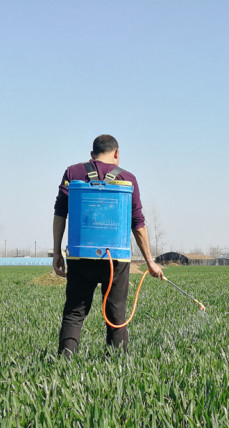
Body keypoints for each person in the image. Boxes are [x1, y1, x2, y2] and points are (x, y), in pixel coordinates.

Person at [52, 135, 163, 356]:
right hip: (116, 259)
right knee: (116, 315)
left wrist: (57, 252)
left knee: (74, 313)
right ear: (117, 153)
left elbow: (60, 213)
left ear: (92, 155)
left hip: (80, 256)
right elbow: (138, 223)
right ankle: (117, 366)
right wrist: (150, 261)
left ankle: (64, 362)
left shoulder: (73, 173)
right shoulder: (127, 178)